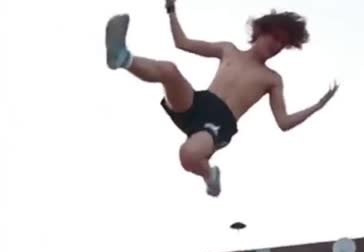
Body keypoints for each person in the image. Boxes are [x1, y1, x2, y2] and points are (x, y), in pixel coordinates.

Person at [104, 0, 339, 197]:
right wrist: (171, 10)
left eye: (283, 44)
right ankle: (122, 57)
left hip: (220, 122)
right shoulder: (228, 50)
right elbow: (182, 43)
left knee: (187, 154)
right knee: (169, 71)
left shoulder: (272, 79)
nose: (277, 46)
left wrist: (318, 106)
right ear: (260, 31)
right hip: (199, 103)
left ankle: (209, 175)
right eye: (275, 37)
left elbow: (283, 122)